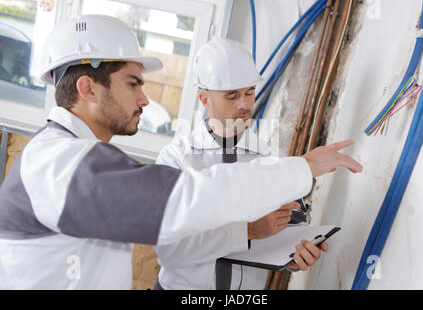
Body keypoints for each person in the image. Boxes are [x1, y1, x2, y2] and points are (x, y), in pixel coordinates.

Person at [0, 15, 362, 289]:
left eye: (248, 92)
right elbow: (188, 201)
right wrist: (303, 168)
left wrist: (287, 247)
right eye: (132, 83)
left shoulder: (69, 157)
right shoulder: (60, 164)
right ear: (88, 88)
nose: (144, 99)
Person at [153, 38, 357, 290]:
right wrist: (247, 231)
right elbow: (168, 250)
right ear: (204, 99)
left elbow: (289, 230)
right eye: (232, 96)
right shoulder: (175, 159)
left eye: (249, 92)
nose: (245, 104)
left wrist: (298, 254)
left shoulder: (270, 158)